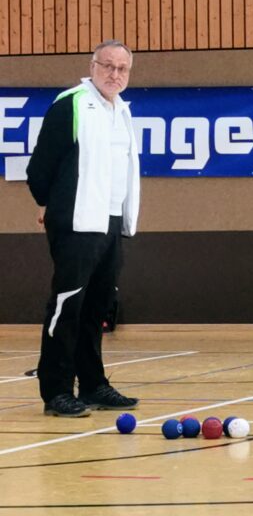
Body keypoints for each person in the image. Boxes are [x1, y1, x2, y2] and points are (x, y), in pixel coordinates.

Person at [26, 40, 141, 417]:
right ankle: (56, 390)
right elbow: (40, 169)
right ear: (92, 66)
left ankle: (92, 384)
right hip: (76, 222)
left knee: (97, 307)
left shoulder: (122, 111)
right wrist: (54, 206)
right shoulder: (71, 104)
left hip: (108, 224)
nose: (114, 74)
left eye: (122, 69)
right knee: (68, 305)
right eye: (107, 66)